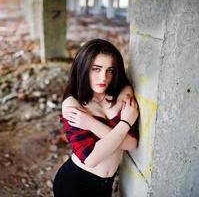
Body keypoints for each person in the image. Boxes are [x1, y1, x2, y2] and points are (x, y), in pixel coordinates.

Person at [53, 39, 139, 197]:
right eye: (96, 69)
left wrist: (91, 124)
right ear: (84, 68)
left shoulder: (123, 93)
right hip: (75, 185)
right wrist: (125, 122)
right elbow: (91, 158)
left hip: (106, 185)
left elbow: (132, 143)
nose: (104, 77)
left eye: (110, 70)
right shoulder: (72, 104)